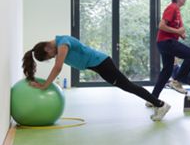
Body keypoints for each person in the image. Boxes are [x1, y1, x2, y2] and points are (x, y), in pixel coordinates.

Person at [22, 35, 170, 121]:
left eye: (50, 56)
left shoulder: (63, 43)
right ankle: (157, 103)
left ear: (47, 48)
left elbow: (58, 67)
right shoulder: (60, 44)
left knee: (129, 86)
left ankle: (160, 104)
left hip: (103, 64)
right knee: (128, 86)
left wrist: (45, 85)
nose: (53, 56)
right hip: (100, 66)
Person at [151, 0, 190, 100]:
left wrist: (181, 34)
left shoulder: (177, 10)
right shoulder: (172, 8)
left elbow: (177, 27)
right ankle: (177, 81)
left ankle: (152, 98)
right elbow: (161, 25)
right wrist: (177, 31)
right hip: (166, 42)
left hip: (164, 43)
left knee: (167, 71)